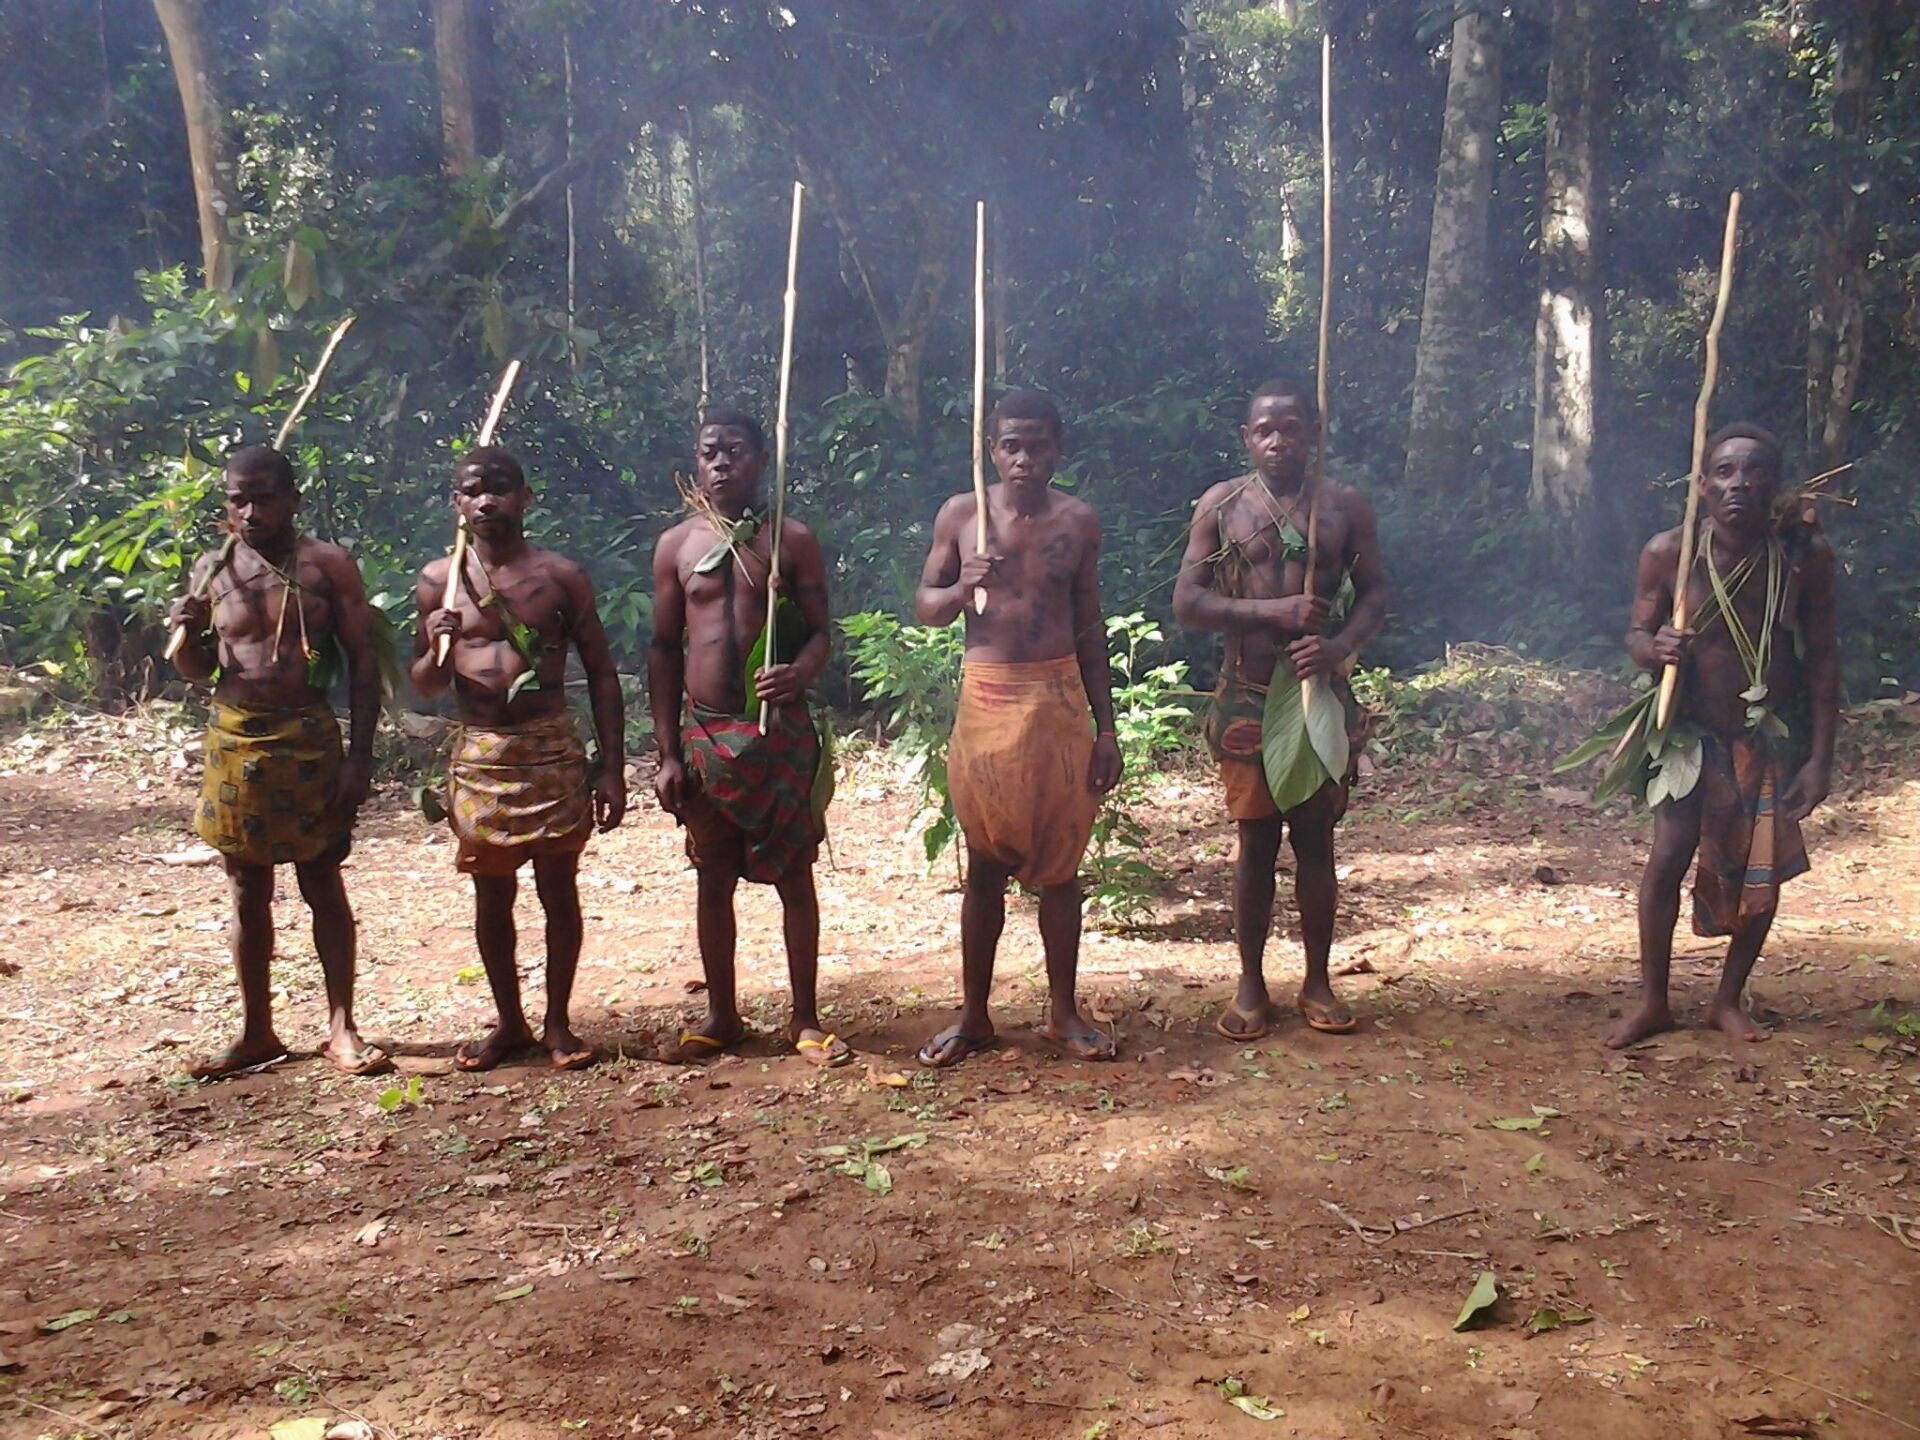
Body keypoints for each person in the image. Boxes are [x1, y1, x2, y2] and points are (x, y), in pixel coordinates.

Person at [912, 389, 1123, 1068]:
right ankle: (974, 1015)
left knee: (1061, 870)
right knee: (984, 864)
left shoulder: (1078, 522)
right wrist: (958, 585)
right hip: (989, 702)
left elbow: (1089, 625)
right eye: (1010, 445)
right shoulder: (961, 514)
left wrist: (1107, 728)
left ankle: (1063, 1013)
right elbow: (926, 608)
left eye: (1036, 445)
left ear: (1058, 448)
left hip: (1059, 700)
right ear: (991, 449)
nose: (1023, 459)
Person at [1608, 423, 1837, 1047]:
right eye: (1726, 472)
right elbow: (1634, 636)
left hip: (1762, 735)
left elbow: (1821, 658)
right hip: (1687, 733)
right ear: (1702, 484)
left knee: (1759, 869)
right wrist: (1654, 649)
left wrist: (1820, 758)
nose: (1739, 484)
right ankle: (1654, 1001)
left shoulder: (1799, 558)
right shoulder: (1670, 553)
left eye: (1754, 471)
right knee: (1667, 858)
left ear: (1774, 485)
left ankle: (1727, 1000)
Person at [1173, 377, 1389, 1040]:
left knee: (1317, 842)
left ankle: (1318, 981)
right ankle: (1250, 982)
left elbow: (1377, 594)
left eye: (1291, 427)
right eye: (1264, 430)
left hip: (1315, 695)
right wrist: (1269, 611)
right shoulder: (1224, 506)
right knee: (1255, 844)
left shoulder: (1343, 508)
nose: (1278, 441)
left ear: (1313, 433)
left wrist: (1338, 648)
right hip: (1247, 694)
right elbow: (1188, 602)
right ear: (1246, 438)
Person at [167, 444, 389, 1079]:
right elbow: (199, 670)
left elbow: (364, 662)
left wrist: (360, 757)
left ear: (293, 498)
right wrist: (187, 630)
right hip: (237, 738)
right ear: (226, 504)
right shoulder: (212, 572)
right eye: (239, 499)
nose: (252, 510)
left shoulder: (327, 566)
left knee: (322, 879)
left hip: (308, 736)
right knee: (245, 888)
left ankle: (342, 1026)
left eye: (264, 496)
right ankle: (257, 1030)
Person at [410, 446, 627, 1070]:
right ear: (457, 504)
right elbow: (423, 682)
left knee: (559, 889)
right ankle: (509, 1024)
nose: (487, 501)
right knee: (491, 893)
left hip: (549, 746)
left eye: (500, 488)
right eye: (473, 490)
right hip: (481, 754)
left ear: (525, 497)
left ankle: (558, 1024)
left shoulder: (559, 577)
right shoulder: (437, 583)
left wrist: (610, 767)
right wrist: (436, 646)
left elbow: (603, 673)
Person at [648, 407, 848, 1067]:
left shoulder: (791, 540)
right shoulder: (676, 547)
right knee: (713, 876)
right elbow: (662, 649)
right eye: (710, 452)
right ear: (694, 462)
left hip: (777, 734)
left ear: (761, 460)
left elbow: (823, 631)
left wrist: (799, 671)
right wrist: (668, 753)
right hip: (706, 732)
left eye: (735, 451)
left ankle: (805, 1017)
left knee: (794, 875)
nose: (722, 463)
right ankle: (722, 1015)